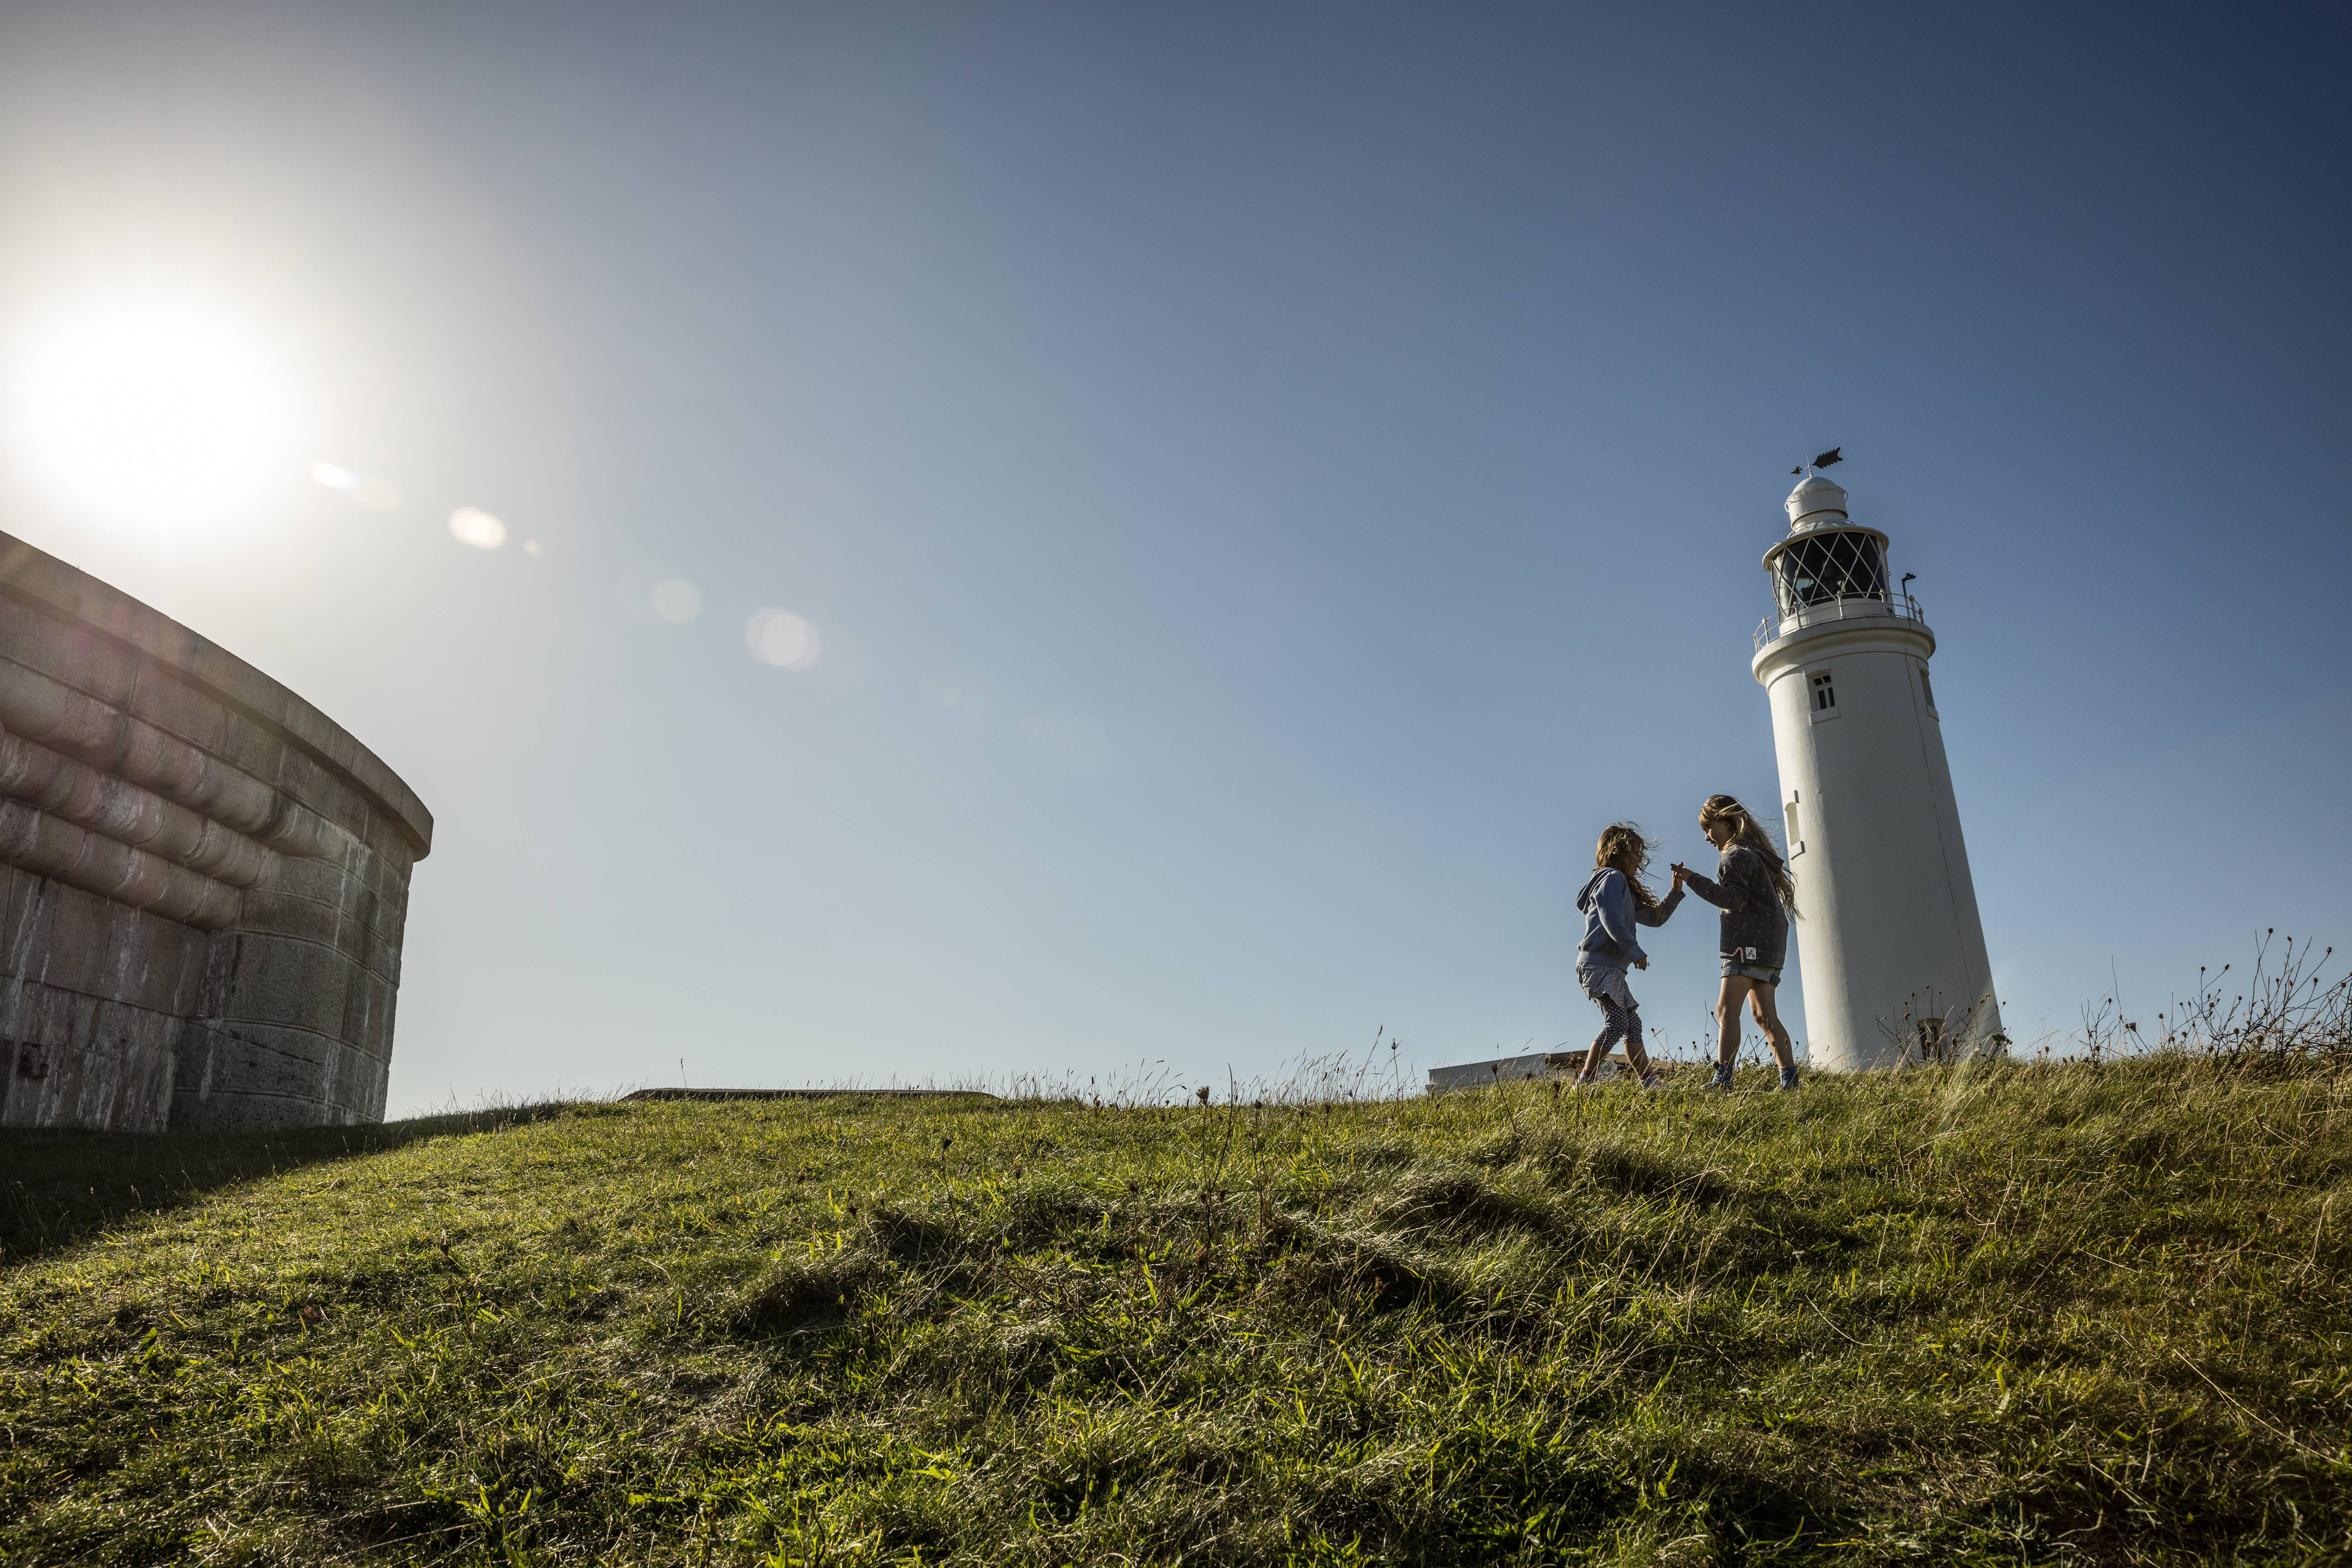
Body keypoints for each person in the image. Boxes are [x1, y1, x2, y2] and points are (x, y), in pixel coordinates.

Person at [1672, 794, 1800, 1092]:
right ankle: (1790, 1081)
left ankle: (1723, 1080)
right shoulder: (1754, 855)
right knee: (1764, 1015)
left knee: (1725, 1009)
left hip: (1747, 944)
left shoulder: (1735, 855)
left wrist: (1692, 878)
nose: (1706, 836)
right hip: (1770, 946)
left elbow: (1732, 899)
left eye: (1709, 827)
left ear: (1728, 822)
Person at [1572, 823, 1685, 1090]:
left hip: (1609, 967)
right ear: (1618, 851)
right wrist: (1634, 950)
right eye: (1635, 853)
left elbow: (1655, 919)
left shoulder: (1620, 885)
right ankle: (1585, 1081)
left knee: (1632, 1024)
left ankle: (1649, 1083)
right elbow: (1610, 919)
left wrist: (1675, 893)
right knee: (1618, 1021)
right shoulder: (1612, 878)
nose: (1640, 859)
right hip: (1598, 964)